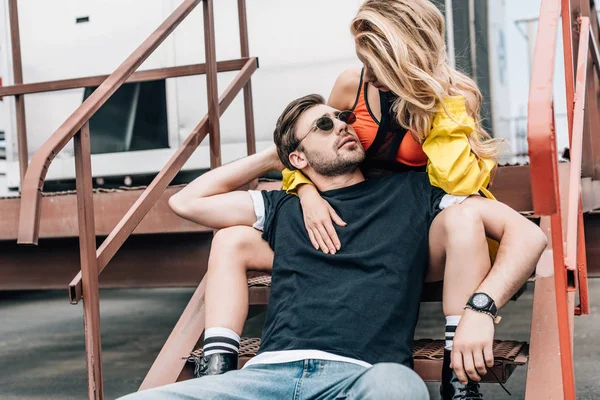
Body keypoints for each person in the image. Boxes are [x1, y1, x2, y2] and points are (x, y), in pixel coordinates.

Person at [119, 94, 546, 400]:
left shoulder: (414, 193)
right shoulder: (283, 207)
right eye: (323, 125)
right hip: (264, 379)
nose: (342, 124)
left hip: (358, 380)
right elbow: (184, 202)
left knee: (401, 388)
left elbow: (528, 235)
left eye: (342, 116)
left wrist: (481, 308)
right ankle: (217, 366)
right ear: (299, 159)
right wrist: (276, 157)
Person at [189, 1, 514, 399]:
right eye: (365, 59)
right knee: (230, 238)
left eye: (376, 61)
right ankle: (216, 371)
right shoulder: (352, 85)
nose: (369, 72)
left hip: (410, 217)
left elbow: (459, 184)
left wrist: (440, 112)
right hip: (347, 206)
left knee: (466, 222)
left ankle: (459, 381)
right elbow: (309, 149)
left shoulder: (454, 97)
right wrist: (306, 192)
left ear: (407, 54)